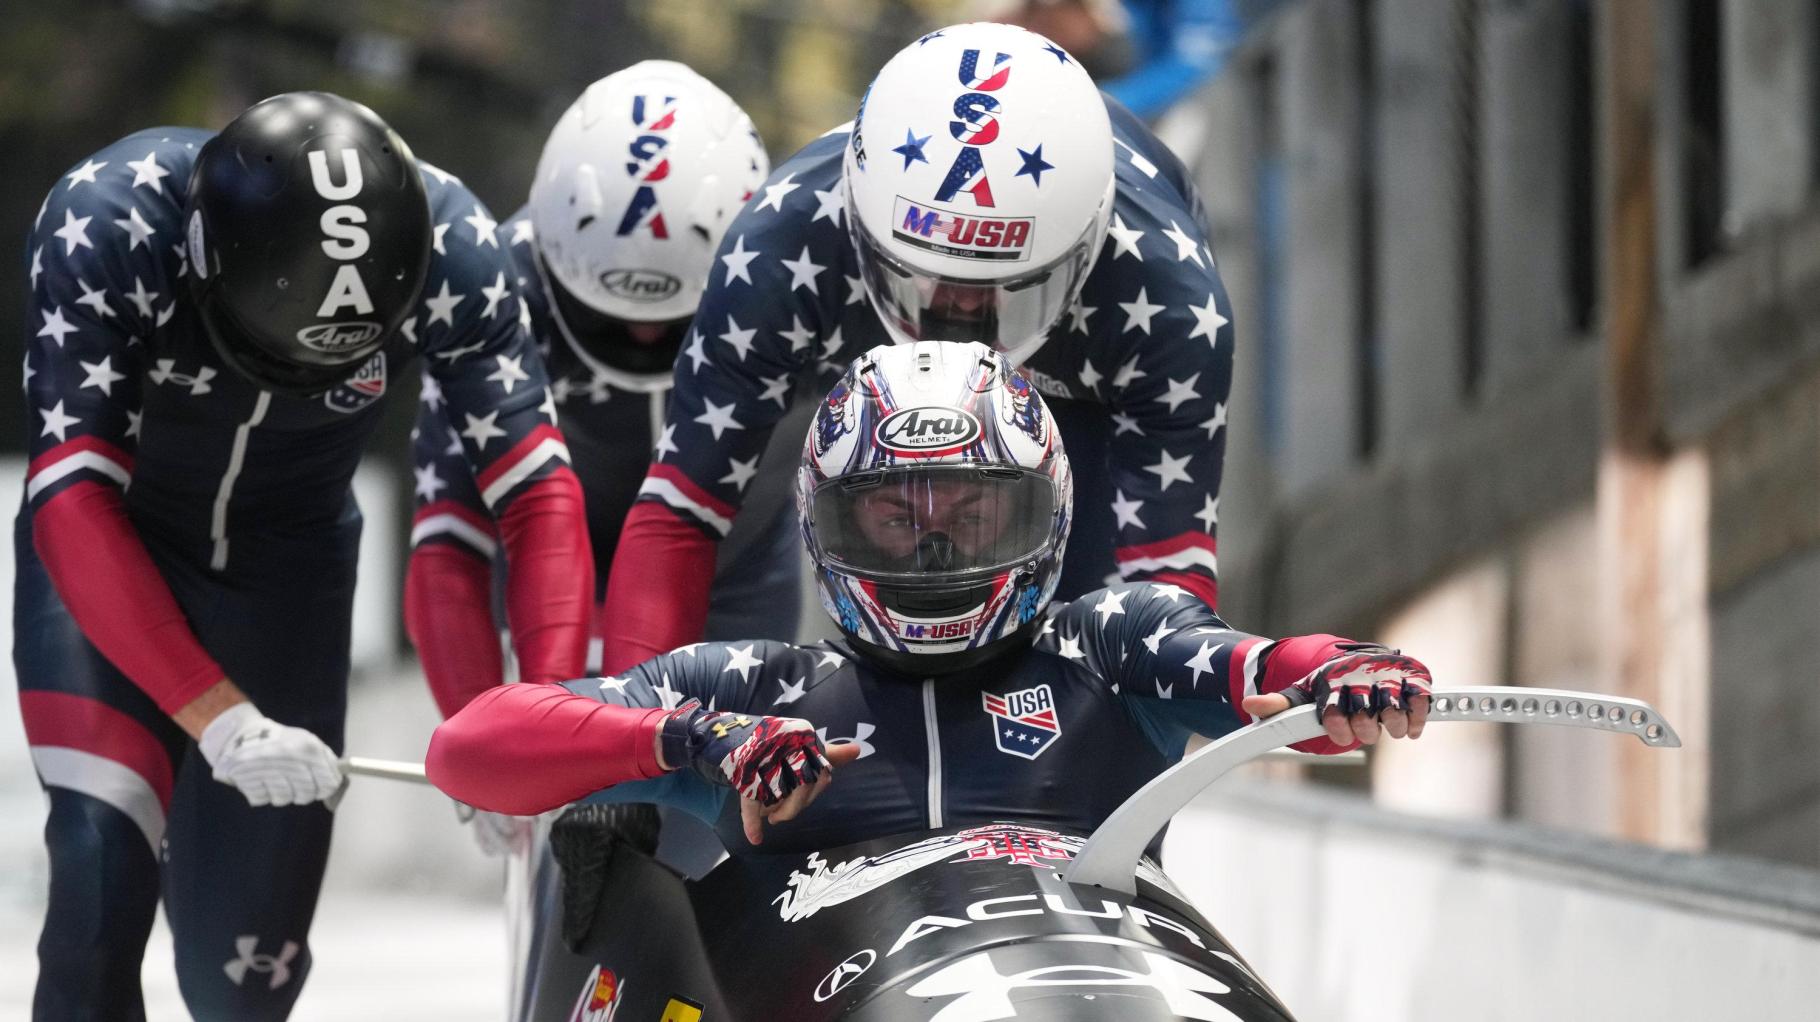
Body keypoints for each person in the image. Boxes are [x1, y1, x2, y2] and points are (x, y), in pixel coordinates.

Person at [15, 92, 591, 1020]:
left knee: (247, 971)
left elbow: (538, 494)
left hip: (289, 571)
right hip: (113, 540)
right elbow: (72, 495)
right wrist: (221, 718)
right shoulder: (107, 220)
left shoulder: (458, 250)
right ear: (203, 261)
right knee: (97, 868)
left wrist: (542, 726)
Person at [427, 342, 1433, 858]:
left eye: (974, 512)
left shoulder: (1109, 642)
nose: (938, 545)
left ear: (1044, 510)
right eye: (895, 519)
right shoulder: (755, 695)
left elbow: (1260, 673)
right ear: (829, 525)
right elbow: (466, 749)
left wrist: (1337, 677)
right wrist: (697, 739)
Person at [598, 21, 1240, 677]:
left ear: (1084, 248)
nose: (959, 306)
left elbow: (1165, 589)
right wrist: (633, 724)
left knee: (1083, 635)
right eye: (926, 277)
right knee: (796, 522)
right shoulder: (779, 247)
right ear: (860, 222)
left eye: (1001, 286)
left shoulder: (1169, 301)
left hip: (1079, 394)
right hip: (857, 348)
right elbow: (681, 512)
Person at [404, 62, 786, 866]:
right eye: (609, 320)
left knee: (719, 835)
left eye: (669, 322)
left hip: (737, 562)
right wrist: (491, 727)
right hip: (558, 555)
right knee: (578, 823)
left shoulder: (787, 271)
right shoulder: (491, 281)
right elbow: (449, 538)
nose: (643, 340)